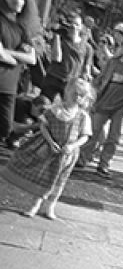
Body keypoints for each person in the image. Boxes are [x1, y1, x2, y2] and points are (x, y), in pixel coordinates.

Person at [0, 77, 93, 219]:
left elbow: (85, 136)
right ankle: (34, 205)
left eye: (81, 95)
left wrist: (73, 146)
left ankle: (50, 206)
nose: (77, 97)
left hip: (68, 154)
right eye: (74, 93)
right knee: (44, 179)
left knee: (60, 181)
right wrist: (50, 142)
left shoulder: (83, 116)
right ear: (67, 91)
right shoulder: (55, 110)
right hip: (51, 149)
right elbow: (44, 126)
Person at [78, 36, 123, 178]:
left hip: (122, 107)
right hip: (104, 102)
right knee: (92, 132)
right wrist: (93, 96)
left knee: (113, 138)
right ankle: (81, 159)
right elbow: (101, 79)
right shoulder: (113, 63)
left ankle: (104, 164)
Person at [0, 0, 40, 144]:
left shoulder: (22, 28)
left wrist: (10, 55)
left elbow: (31, 59)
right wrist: (15, 56)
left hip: (9, 86)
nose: (18, 0)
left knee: (4, 128)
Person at [40, 12, 94, 101]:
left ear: (81, 27)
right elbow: (56, 58)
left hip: (71, 83)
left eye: (76, 24)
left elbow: (86, 69)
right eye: (71, 23)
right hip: (54, 77)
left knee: (64, 110)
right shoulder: (60, 39)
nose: (73, 27)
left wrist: (86, 78)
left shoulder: (87, 47)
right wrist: (57, 35)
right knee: (44, 104)